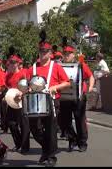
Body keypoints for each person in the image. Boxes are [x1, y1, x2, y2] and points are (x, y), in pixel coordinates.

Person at [23, 31, 70, 167]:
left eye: (45, 51)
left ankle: (51, 156)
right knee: (34, 128)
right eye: (40, 51)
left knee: (50, 128)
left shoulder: (55, 67)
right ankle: (46, 149)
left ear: (50, 53)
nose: (42, 53)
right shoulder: (32, 68)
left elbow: (67, 82)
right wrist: (26, 89)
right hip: (35, 100)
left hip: (51, 99)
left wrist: (55, 87)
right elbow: (26, 83)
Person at [61, 44, 94, 153]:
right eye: (64, 54)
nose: (66, 56)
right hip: (64, 96)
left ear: (73, 55)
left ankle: (82, 142)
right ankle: (72, 139)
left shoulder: (80, 65)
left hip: (79, 95)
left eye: (68, 54)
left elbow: (90, 76)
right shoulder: (59, 66)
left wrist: (90, 88)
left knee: (80, 119)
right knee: (64, 121)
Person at [5, 54, 29, 153]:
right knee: (11, 123)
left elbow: (27, 88)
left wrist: (21, 94)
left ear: (18, 63)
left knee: (23, 125)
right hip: (11, 102)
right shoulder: (8, 75)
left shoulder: (23, 74)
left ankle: (25, 146)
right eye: (10, 62)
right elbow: (6, 87)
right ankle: (18, 143)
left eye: (14, 63)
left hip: (22, 101)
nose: (12, 64)